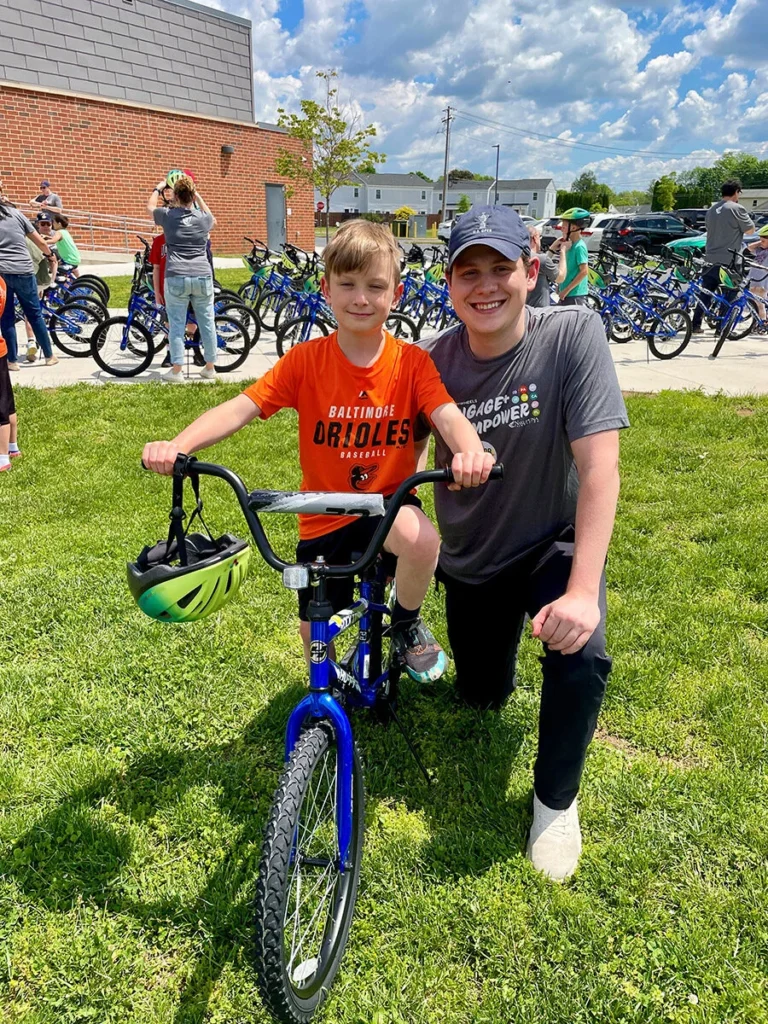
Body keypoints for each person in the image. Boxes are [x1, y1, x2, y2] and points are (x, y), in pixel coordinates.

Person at [142, 219, 495, 682]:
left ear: (397, 292)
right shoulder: (306, 361)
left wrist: (470, 448)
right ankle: (328, 690)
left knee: (422, 541)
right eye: (347, 285)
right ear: (325, 288)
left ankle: (406, 622)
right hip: (321, 514)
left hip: (385, 507)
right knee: (317, 640)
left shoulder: (412, 363)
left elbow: (446, 414)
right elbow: (241, 407)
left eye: (374, 286)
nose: (360, 298)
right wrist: (179, 445)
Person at [417, 205, 629, 881]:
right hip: (472, 560)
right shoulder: (431, 362)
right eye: (468, 271)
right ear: (449, 285)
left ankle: (555, 803)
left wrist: (581, 595)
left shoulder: (573, 336)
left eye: (501, 269)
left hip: (547, 545)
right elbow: (394, 468)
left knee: (581, 651)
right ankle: (478, 655)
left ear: (532, 271)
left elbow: (600, 469)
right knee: (481, 697)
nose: (486, 286)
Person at [147, 174, 217, 381]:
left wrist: (158, 188)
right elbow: (211, 217)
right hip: (203, 275)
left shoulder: (167, 215)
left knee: (176, 325)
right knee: (207, 323)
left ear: (175, 195)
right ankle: (210, 367)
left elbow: (149, 208)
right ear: (192, 196)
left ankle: (177, 370)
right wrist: (198, 197)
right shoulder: (202, 218)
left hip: (176, 275)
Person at [0, 198, 58, 370]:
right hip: (24, 270)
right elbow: (39, 241)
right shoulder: (16, 213)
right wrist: (49, 256)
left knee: (6, 316)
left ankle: (12, 361)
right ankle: (49, 356)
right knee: (34, 314)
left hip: (2, 272)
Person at [692, 180, 754, 335]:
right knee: (730, 293)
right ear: (736, 191)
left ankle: (695, 325)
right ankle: (722, 327)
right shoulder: (737, 208)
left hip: (710, 258)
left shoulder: (712, 209)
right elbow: (750, 231)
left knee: (706, 292)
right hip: (730, 260)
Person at [0, 277, 21, 470]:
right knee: (7, 401)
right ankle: (12, 446)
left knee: (0, 406)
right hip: (1, 349)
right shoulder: (1, 282)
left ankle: (2, 457)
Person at [550, 208, 591, 306]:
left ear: (573, 228)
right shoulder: (569, 244)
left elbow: (584, 271)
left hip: (574, 295)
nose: (561, 227)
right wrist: (560, 285)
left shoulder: (579, 246)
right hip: (566, 293)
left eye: (564, 225)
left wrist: (566, 290)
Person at [526, 223, 566, 307]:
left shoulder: (520, 256)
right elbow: (560, 277)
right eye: (540, 237)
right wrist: (563, 251)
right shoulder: (541, 260)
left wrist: (552, 249)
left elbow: (543, 264)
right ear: (535, 238)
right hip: (539, 312)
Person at [745, 224, 768, 322]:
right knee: (754, 303)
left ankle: (762, 322)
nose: (761, 242)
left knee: (759, 303)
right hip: (754, 279)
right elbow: (749, 248)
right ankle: (757, 322)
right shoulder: (760, 249)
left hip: (763, 280)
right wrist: (761, 241)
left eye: (763, 241)